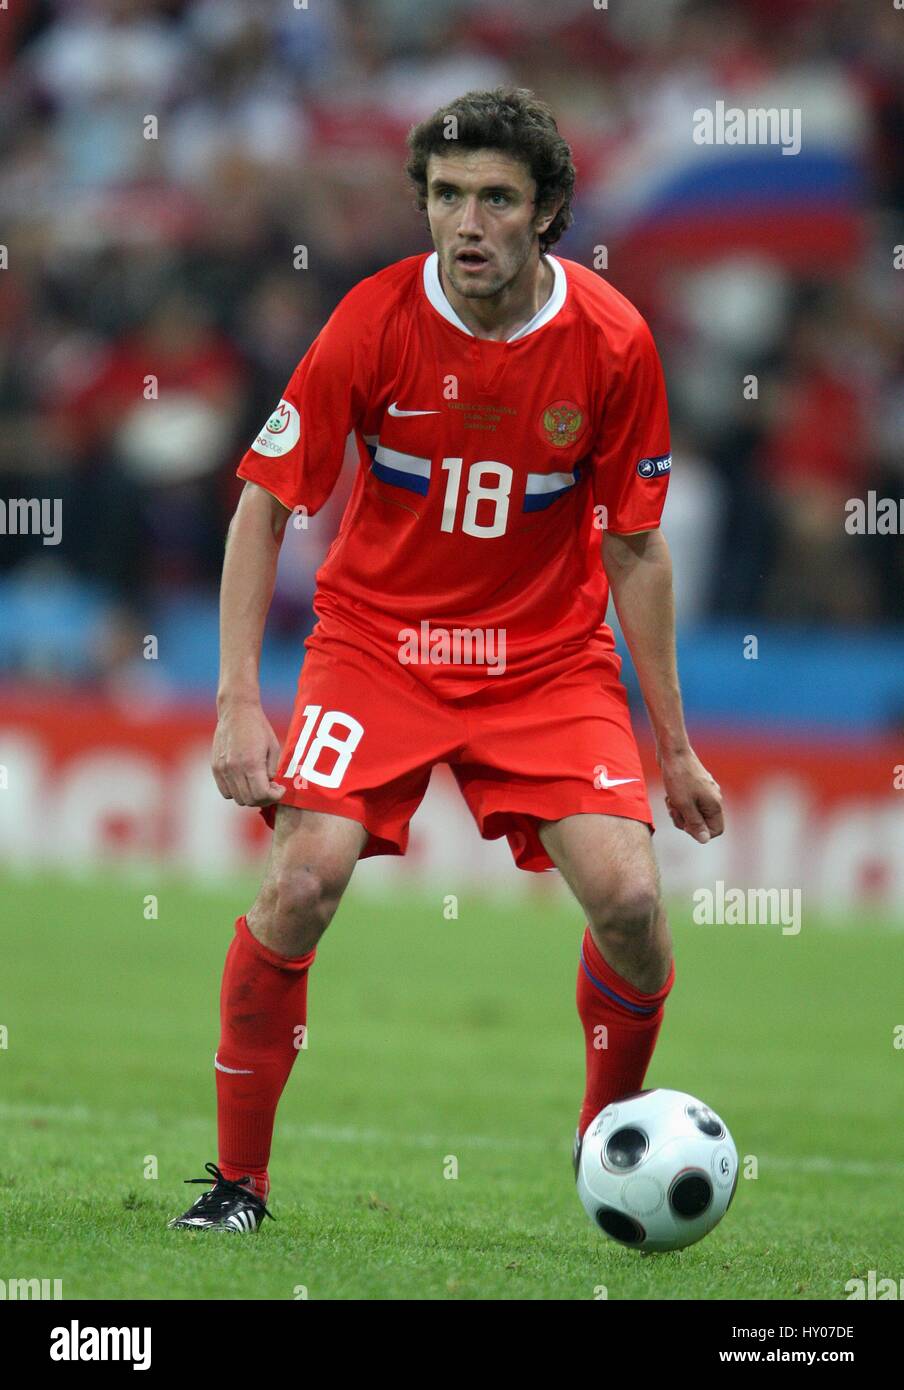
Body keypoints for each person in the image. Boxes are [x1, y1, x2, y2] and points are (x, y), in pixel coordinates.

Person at [168, 87, 723, 1234]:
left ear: (547, 212)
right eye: (447, 195)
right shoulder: (371, 322)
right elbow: (262, 507)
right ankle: (236, 1186)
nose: (467, 222)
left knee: (628, 901)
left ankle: (604, 1143)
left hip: (546, 660)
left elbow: (634, 546)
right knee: (301, 883)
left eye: (496, 199)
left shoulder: (613, 341)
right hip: (379, 650)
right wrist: (236, 704)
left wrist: (672, 746)